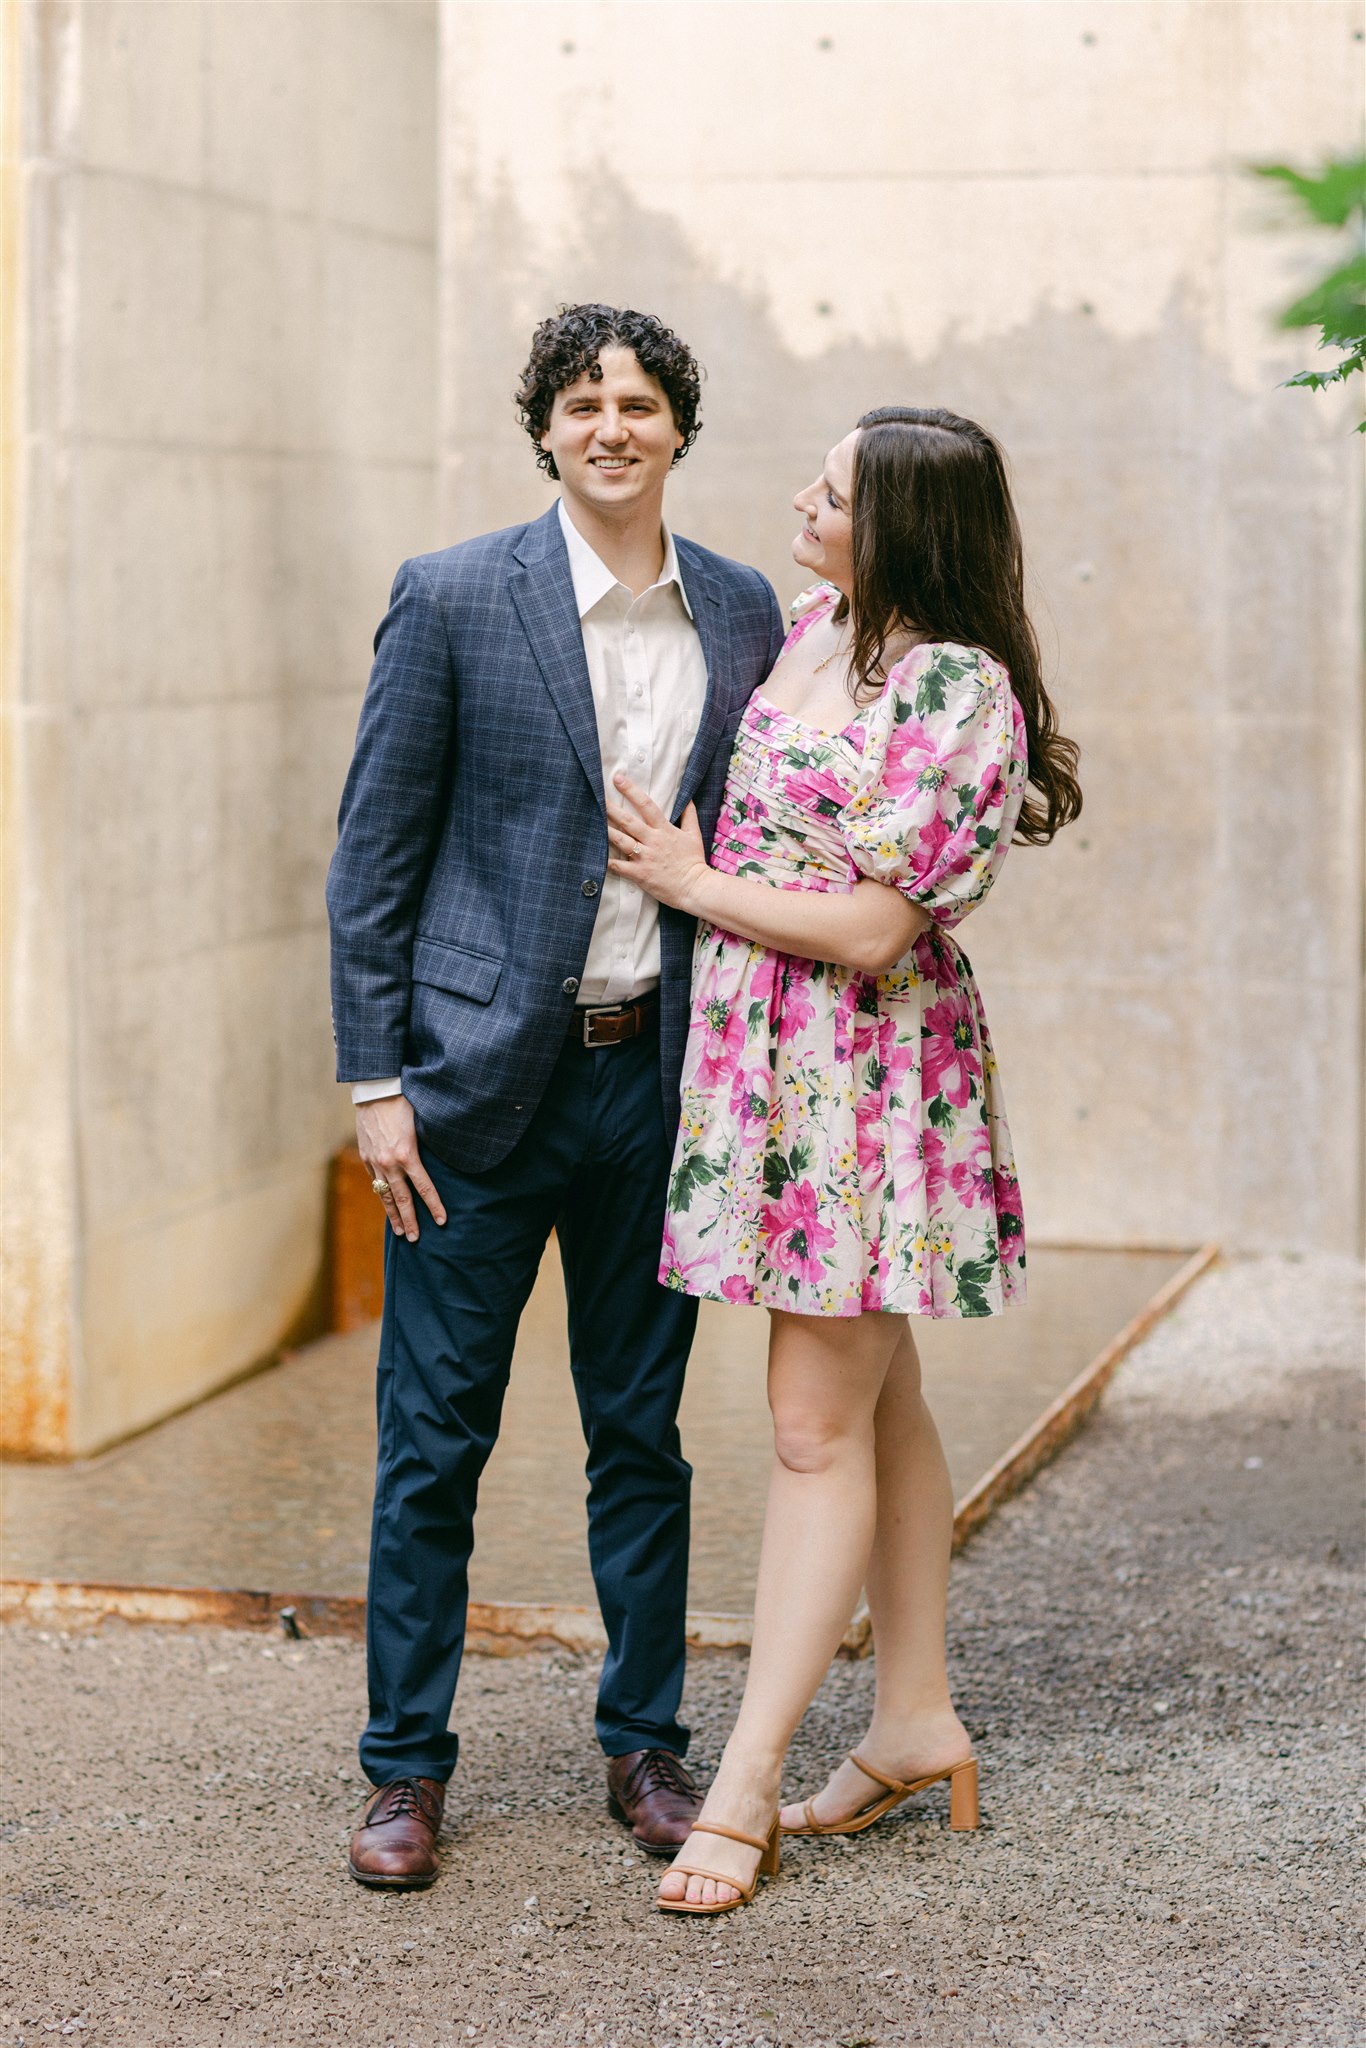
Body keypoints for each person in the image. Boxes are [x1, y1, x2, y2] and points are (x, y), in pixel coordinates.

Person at [326, 304, 785, 1889]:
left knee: (640, 1432)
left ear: (677, 429)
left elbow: (767, 848)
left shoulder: (741, 614)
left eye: (640, 402)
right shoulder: (454, 596)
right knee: (431, 1442)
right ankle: (402, 1771)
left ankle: (644, 1747)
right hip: (465, 1098)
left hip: (653, 1085)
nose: (611, 425)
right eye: (582, 401)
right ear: (543, 428)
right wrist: (375, 1084)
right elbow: (373, 860)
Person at [606, 405, 1082, 1914]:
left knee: (812, 1428)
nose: (801, 504)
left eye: (833, 493)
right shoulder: (814, 625)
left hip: (862, 1076)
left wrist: (696, 882)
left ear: (905, 529)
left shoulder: (957, 688)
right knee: (882, 1399)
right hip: (769, 1065)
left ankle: (740, 1789)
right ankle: (911, 1719)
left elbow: (881, 931)